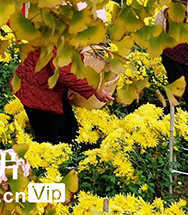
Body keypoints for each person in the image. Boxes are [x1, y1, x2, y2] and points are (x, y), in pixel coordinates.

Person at [14, 7, 115, 145]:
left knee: (70, 132)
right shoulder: (59, 36)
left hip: (50, 89)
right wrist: (95, 89)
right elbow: (64, 72)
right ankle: (51, 162)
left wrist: (73, 87)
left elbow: (71, 64)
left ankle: (70, 158)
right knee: (50, 140)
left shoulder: (67, 32)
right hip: (38, 94)